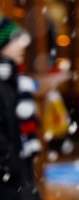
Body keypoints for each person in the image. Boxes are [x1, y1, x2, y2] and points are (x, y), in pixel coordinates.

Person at [0, 16, 42, 200]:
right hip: (8, 182)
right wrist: (10, 163)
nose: (22, 45)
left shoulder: (17, 83)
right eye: (15, 39)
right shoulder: (6, 85)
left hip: (18, 179)